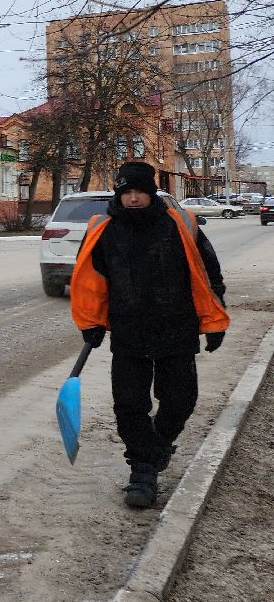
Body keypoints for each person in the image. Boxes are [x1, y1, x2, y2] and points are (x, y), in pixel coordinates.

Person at [70, 161, 229, 508]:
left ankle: (157, 445)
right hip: (129, 331)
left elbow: (207, 272)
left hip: (177, 327)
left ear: (152, 192)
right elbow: (92, 280)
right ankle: (143, 471)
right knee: (129, 404)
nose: (134, 198)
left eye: (140, 191)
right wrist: (91, 322)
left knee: (180, 400)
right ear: (119, 194)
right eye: (127, 192)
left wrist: (214, 319)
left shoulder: (180, 223)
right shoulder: (103, 228)